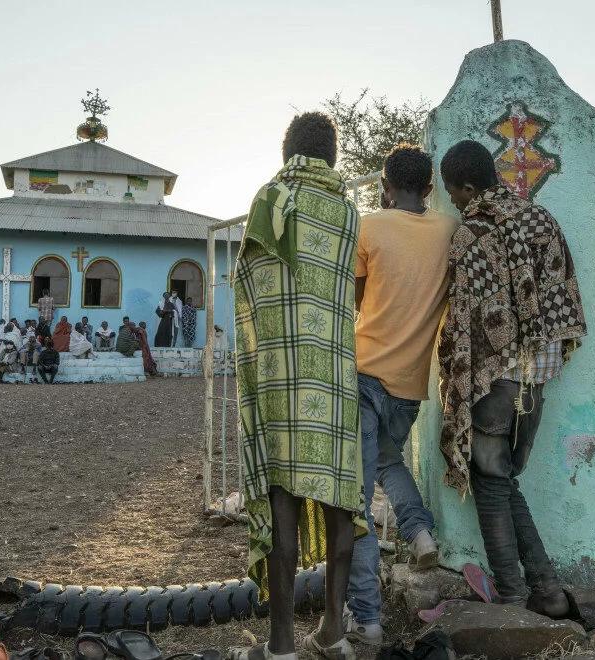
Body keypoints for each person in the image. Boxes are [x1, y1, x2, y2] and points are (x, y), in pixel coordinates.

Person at [437, 139, 588, 617]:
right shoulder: (540, 219)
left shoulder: (472, 234)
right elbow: (563, 293)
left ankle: (512, 592)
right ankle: (546, 591)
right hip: (535, 383)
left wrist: (461, 382)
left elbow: (465, 321)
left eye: (453, 194)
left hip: (493, 385)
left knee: (491, 483)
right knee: (504, 481)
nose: (454, 203)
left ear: (465, 186)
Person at [230, 112, 361, 660]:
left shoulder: (272, 199)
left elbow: (251, 284)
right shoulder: (351, 213)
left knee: (282, 498)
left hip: (283, 378)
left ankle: (280, 644)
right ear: (332, 156)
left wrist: (258, 356)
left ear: (287, 152)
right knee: (340, 502)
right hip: (335, 376)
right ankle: (334, 631)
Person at [345, 144, 454, 641]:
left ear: (385, 187)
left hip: (365, 372)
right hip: (411, 383)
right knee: (390, 460)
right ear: (429, 188)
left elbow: (355, 299)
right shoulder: (448, 231)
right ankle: (419, 530)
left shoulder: (370, 227)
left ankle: (366, 618)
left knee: (358, 500)